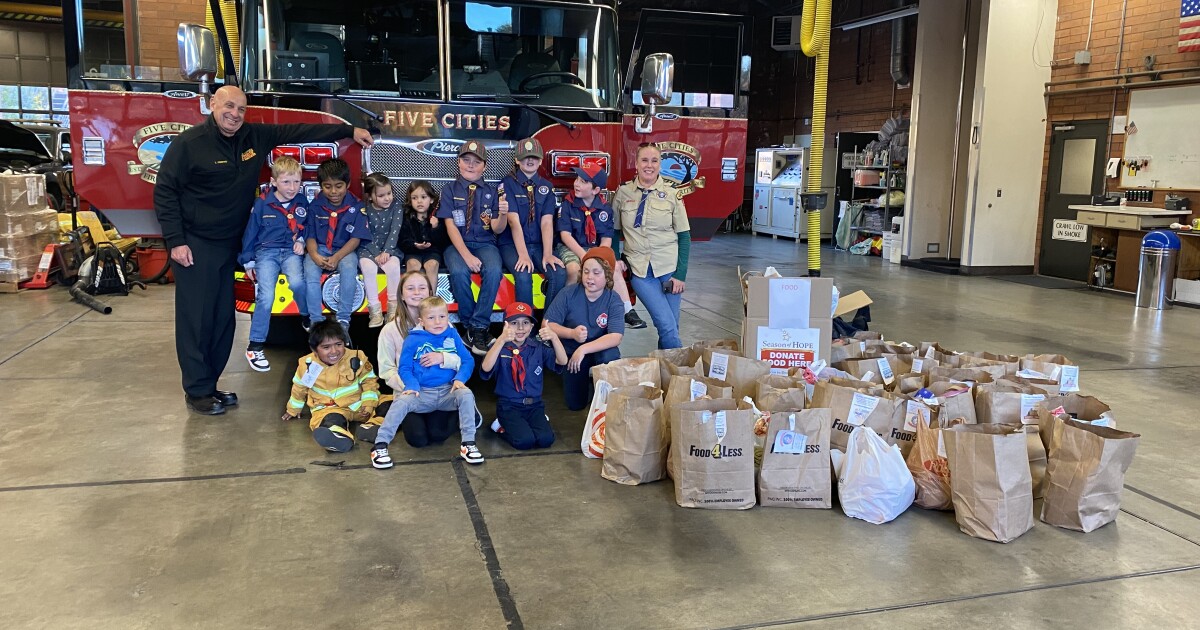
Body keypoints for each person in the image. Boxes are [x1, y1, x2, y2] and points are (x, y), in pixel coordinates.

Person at [155, 85, 373, 415]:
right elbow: (165, 192)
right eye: (228, 106)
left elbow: (299, 130)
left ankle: (211, 383)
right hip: (197, 243)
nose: (234, 114)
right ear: (212, 104)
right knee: (196, 317)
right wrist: (176, 240)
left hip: (234, 243)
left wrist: (349, 130)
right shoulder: (188, 144)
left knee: (221, 317)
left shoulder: (252, 137)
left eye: (241, 109)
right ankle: (197, 390)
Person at [371, 296, 482, 469]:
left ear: (448, 317)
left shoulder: (452, 334)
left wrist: (460, 379)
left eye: (442, 317)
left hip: (447, 391)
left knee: (466, 394)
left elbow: (468, 361)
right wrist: (412, 385)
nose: (438, 322)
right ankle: (380, 446)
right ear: (421, 321)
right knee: (401, 402)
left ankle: (468, 444)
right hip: (422, 393)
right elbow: (404, 368)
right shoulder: (413, 339)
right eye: (431, 318)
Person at [612, 142, 691, 350]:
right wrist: (615, 259)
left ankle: (666, 374)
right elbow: (613, 231)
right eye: (644, 160)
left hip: (669, 269)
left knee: (671, 326)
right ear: (636, 164)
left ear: (660, 164)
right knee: (666, 324)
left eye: (654, 161)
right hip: (640, 271)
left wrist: (680, 274)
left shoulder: (672, 194)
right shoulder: (623, 193)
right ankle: (681, 373)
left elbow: (684, 236)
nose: (649, 165)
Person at [375, 270, 462, 448]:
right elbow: (386, 370)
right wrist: (411, 388)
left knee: (438, 435)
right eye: (410, 288)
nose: (417, 292)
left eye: (422, 287)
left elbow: (461, 360)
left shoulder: (446, 326)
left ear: (430, 292)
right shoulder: (390, 330)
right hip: (412, 395)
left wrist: (443, 357)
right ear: (402, 295)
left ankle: (463, 409)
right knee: (417, 440)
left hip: (440, 392)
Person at [238, 155, 308, 372]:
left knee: (298, 283)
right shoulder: (262, 204)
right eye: (286, 182)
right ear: (274, 181)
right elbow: (250, 232)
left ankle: (306, 316)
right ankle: (255, 345)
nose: (292, 187)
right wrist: (248, 261)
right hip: (266, 253)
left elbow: (309, 225)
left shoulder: (302, 202)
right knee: (266, 295)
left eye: (296, 182)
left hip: (290, 252)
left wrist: (303, 241)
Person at [556, 164, 646, 329]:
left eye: (583, 182)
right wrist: (585, 258)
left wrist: (603, 256)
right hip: (571, 247)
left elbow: (606, 238)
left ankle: (628, 310)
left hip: (594, 248)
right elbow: (565, 236)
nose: (576, 184)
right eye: (577, 179)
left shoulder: (605, 208)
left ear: (596, 190)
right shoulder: (568, 204)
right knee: (574, 269)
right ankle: (566, 311)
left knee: (614, 268)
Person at [439, 141, 509, 355]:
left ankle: (476, 326)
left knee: (495, 270)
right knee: (459, 272)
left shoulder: (493, 192)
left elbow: (497, 228)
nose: (470, 165)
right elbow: (450, 226)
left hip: (485, 243)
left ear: (484, 166)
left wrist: (503, 213)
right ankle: (473, 327)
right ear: (458, 162)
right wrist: (467, 256)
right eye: (466, 160)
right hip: (457, 245)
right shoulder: (449, 190)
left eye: (476, 162)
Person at [543, 246, 625, 411]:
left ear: (607, 275)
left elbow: (616, 336)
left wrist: (584, 349)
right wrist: (571, 333)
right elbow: (547, 324)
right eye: (586, 271)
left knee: (611, 355)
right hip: (572, 353)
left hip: (597, 350)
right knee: (575, 404)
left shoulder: (613, 299)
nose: (590, 277)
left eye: (596, 272)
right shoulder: (569, 293)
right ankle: (586, 389)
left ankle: (603, 395)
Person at [282, 320, 380, 453]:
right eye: (326, 347)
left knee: (390, 403)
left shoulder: (357, 357)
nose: (334, 351)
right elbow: (299, 388)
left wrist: (369, 404)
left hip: (360, 406)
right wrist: (293, 409)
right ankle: (339, 437)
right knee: (330, 420)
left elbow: (369, 381)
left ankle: (372, 427)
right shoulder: (307, 365)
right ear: (314, 350)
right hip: (329, 408)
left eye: (338, 344)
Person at [481, 302, 567, 450]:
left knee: (546, 440)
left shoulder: (537, 347)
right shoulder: (499, 347)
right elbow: (485, 368)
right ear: (505, 325)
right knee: (524, 441)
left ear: (532, 327)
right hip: (509, 406)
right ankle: (500, 426)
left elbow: (562, 361)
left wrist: (554, 338)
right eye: (514, 323)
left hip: (534, 405)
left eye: (525, 323)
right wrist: (501, 340)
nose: (520, 328)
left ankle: (531, 423)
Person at [303, 158, 371, 336]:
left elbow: (355, 239)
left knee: (349, 270)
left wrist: (337, 257)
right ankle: (315, 322)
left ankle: (343, 320)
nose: (333, 191)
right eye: (327, 186)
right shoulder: (315, 206)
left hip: (344, 250)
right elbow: (309, 235)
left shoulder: (357, 206)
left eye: (339, 186)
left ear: (348, 184)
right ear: (320, 186)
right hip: (319, 248)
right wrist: (315, 256)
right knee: (310, 273)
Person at [498, 138, 566, 309]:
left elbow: (547, 222)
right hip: (512, 245)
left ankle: (549, 323)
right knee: (523, 273)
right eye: (525, 157)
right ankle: (525, 326)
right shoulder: (507, 184)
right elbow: (513, 222)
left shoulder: (546, 187)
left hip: (538, 244)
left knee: (558, 273)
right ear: (516, 160)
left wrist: (548, 254)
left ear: (541, 160)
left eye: (534, 157)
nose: (529, 160)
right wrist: (523, 255)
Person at [358, 173, 405, 327]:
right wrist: (376, 253)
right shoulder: (364, 210)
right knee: (367, 267)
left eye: (389, 193)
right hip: (369, 248)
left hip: (390, 248)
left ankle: (393, 310)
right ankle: (375, 311)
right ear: (370, 196)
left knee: (393, 266)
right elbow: (365, 233)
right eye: (381, 195)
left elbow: (395, 230)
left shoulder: (396, 206)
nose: (387, 198)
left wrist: (387, 251)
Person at [398, 180, 448, 292]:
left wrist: (435, 228)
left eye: (423, 197)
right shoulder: (406, 217)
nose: (419, 201)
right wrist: (414, 245)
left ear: (431, 199)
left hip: (432, 251)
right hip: (413, 250)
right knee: (412, 264)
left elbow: (443, 242)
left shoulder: (438, 217)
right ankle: (411, 296)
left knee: (432, 265)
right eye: (414, 198)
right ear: (410, 200)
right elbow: (402, 240)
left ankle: (431, 298)